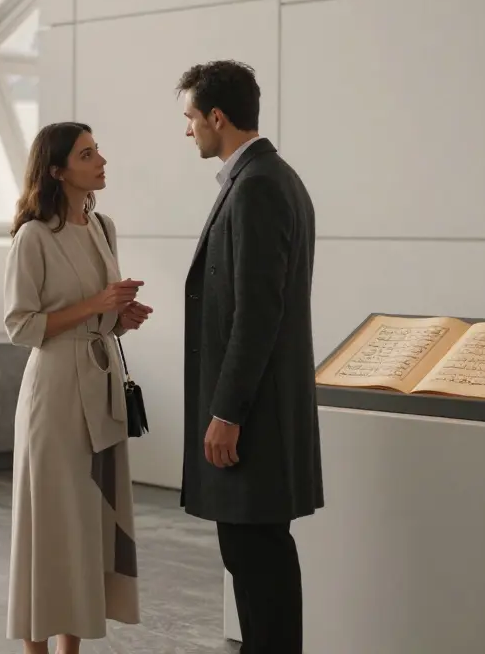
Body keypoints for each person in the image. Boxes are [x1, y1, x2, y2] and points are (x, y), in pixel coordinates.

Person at [176, 60, 324, 653]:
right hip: (258, 409)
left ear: (217, 117)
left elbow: (258, 313)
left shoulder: (260, 185)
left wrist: (227, 411)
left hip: (253, 415)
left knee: (256, 556)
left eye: (190, 118)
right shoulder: (266, 178)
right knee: (255, 555)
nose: (187, 131)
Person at [3, 122, 153, 654]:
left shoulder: (103, 226)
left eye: (98, 150)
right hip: (56, 391)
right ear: (58, 170)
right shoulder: (33, 237)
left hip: (101, 383)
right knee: (50, 525)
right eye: (88, 154)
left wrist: (119, 316)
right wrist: (97, 305)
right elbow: (20, 326)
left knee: (87, 525)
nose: (101, 160)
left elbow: (98, 313)